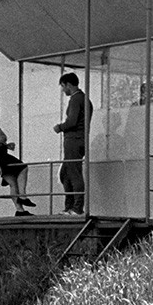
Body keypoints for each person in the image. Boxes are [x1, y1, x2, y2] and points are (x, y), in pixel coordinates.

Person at [0, 98, 35, 217]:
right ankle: (22, 196)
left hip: (1, 154)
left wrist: (6, 145)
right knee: (22, 167)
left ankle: (20, 210)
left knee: (13, 181)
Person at [52, 72, 94, 215]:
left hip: (74, 140)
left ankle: (76, 208)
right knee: (65, 173)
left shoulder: (76, 99)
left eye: (63, 87)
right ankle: (70, 206)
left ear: (68, 85)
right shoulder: (85, 99)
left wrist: (60, 127)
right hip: (80, 140)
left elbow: (72, 121)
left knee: (74, 173)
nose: (63, 90)